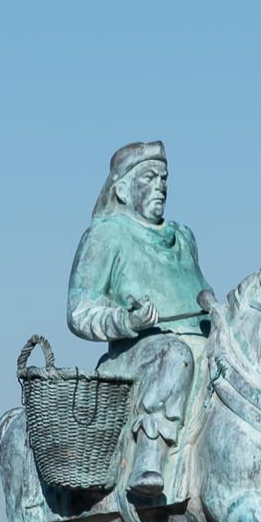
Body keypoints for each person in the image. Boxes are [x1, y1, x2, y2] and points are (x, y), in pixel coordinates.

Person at [66, 140, 217, 503]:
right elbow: (79, 311)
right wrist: (127, 320)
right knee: (174, 354)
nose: (161, 185)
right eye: (149, 177)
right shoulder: (105, 235)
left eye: (164, 178)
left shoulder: (184, 238)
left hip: (200, 346)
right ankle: (148, 460)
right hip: (139, 357)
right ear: (121, 189)